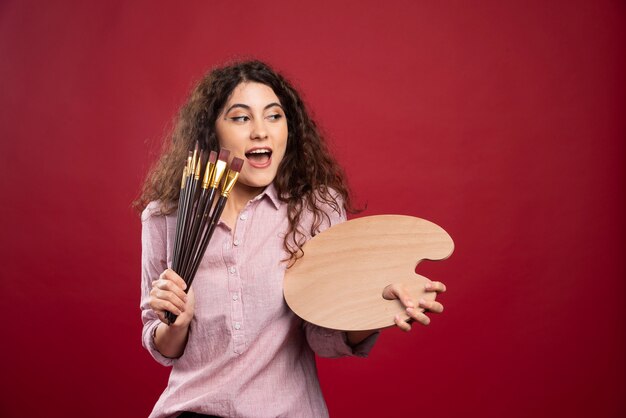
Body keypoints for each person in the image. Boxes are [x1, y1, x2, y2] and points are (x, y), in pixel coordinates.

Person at [136, 60, 447, 418]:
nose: (260, 132)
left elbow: (322, 338)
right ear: (211, 132)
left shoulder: (316, 209)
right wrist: (177, 321)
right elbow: (161, 346)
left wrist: (374, 308)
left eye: (274, 116)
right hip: (190, 410)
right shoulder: (165, 218)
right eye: (240, 118)